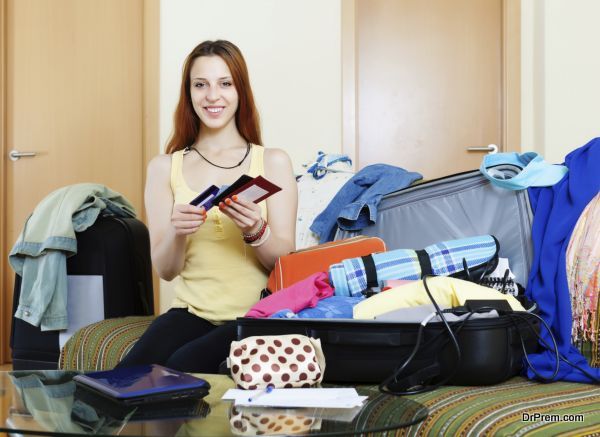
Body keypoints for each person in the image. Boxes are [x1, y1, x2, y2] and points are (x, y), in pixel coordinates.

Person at [117, 40, 297, 373]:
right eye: (201, 85)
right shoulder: (163, 167)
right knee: (129, 377)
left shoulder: (273, 161)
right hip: (191, 312)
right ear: (189, 94)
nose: (212, 96)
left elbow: (284, 263)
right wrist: (178, 233)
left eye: (225, 84)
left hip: (254, 315)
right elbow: (166, 270)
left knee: (183, 367)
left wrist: (255, 230)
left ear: (240, 91)